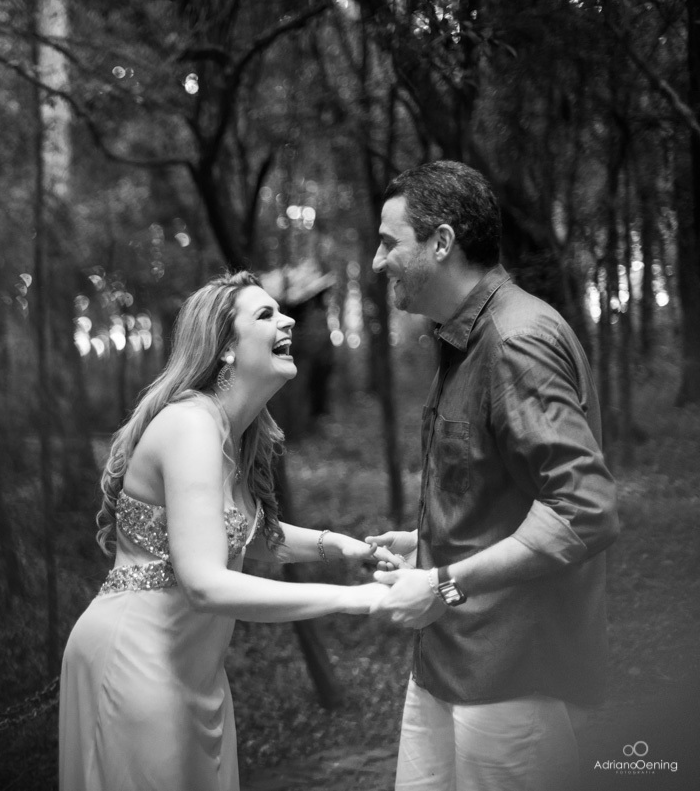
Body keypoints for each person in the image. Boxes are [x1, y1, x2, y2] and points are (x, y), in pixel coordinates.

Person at [58, 271, 392, 791]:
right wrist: (354, 600)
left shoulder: (231, 433)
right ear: (226, 349)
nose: (286, 319)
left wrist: (342, 547)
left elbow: (243, 534)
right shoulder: (191, 425)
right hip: (138, 660)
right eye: (265, 314)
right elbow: (206, 583)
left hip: (196, 670)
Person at [365, 160, 620, 791]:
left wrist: (444, 581)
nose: (376, 261)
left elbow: (581, 508)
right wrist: (429, 545)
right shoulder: (462, 338)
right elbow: (500, 488)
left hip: (509, 676)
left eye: (389, 242)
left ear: (443, 242)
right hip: (444, 661)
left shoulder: (515, 338)